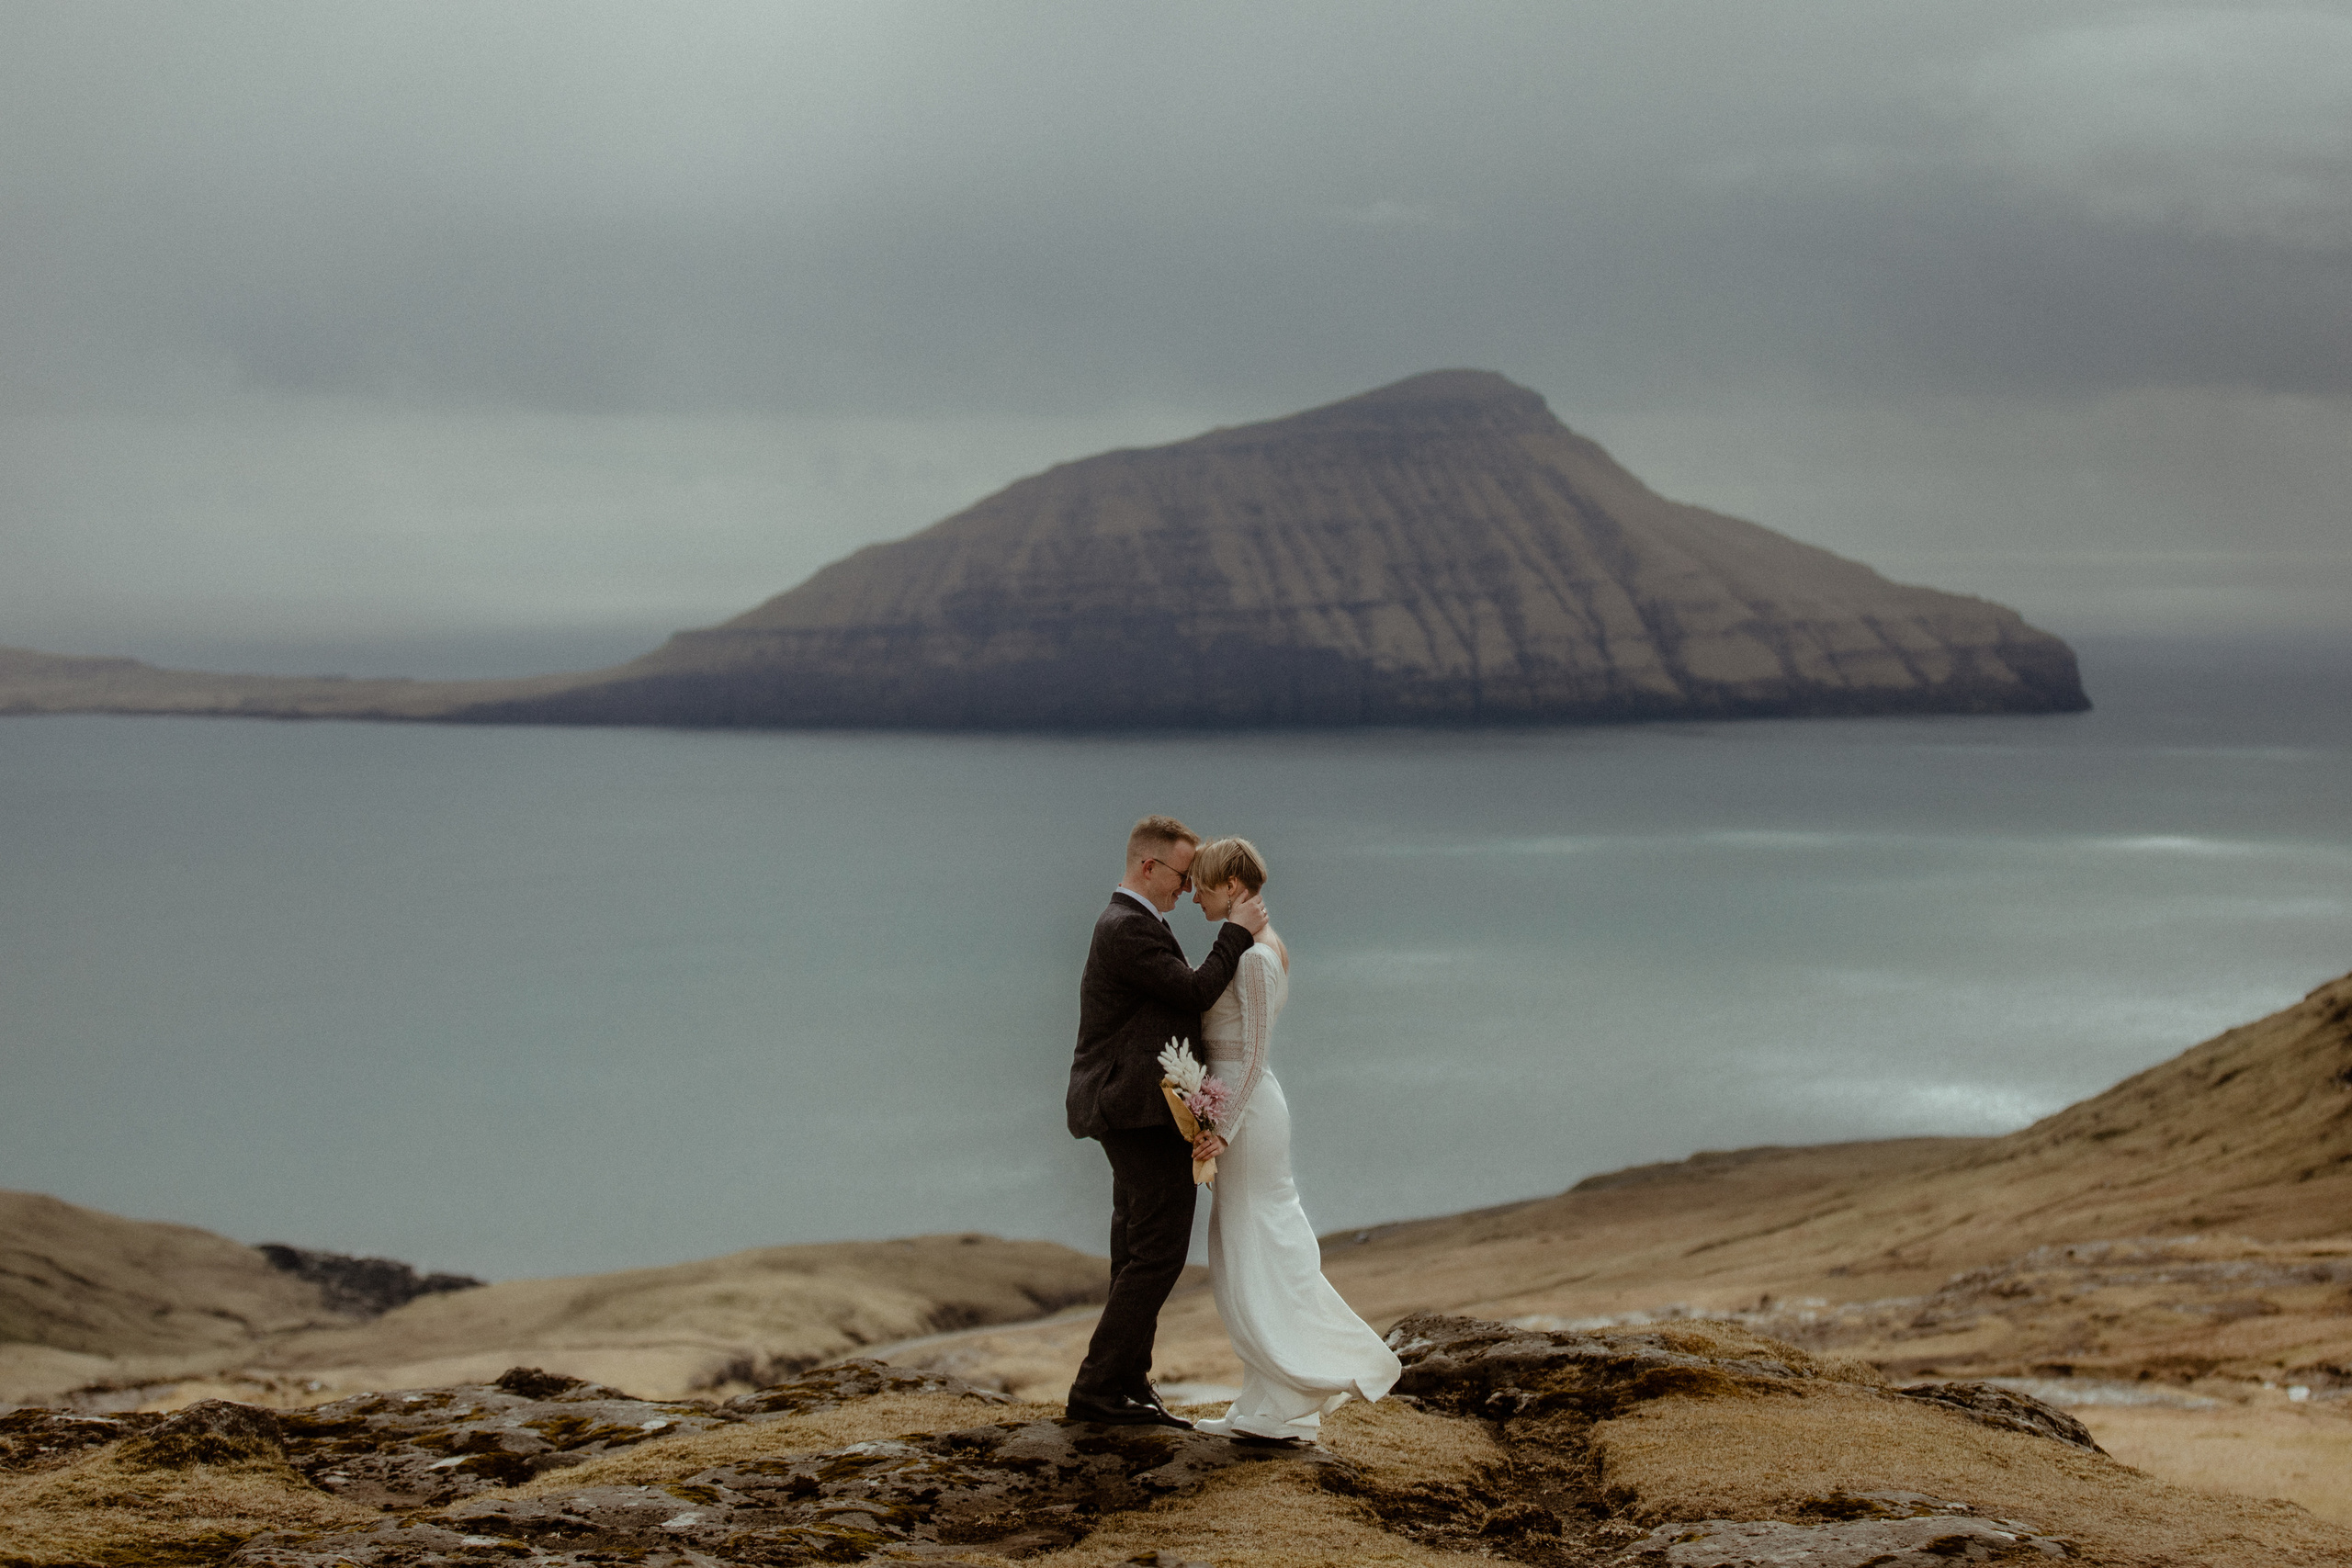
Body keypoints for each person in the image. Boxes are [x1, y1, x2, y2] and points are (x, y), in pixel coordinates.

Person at [1183, 835, 1401, 1444]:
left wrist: (1221, 1128)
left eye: (1202, 883)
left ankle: (1288, 1397)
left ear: (1232, 885)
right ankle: (1264, 1393)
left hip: (1246, 1113)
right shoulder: (1263, 946)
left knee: (1254, 1241)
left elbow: (1253, 1055)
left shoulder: (1254, 956)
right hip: (1240, 1107)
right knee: (1241, 1241)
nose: (1193, 894)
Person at [1064, 814, 1268, 1428]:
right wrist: (1236, 931)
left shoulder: (1135, 923)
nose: (1186, 888)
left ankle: (1127, 1379)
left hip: (1133, 1106)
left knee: (1134, 1246)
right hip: (1134, 1109)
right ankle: (1099, 1385)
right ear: (1147, 866)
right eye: (1181, 875)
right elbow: (1195, 989)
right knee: (1157, 1249)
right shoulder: (1126, 927)